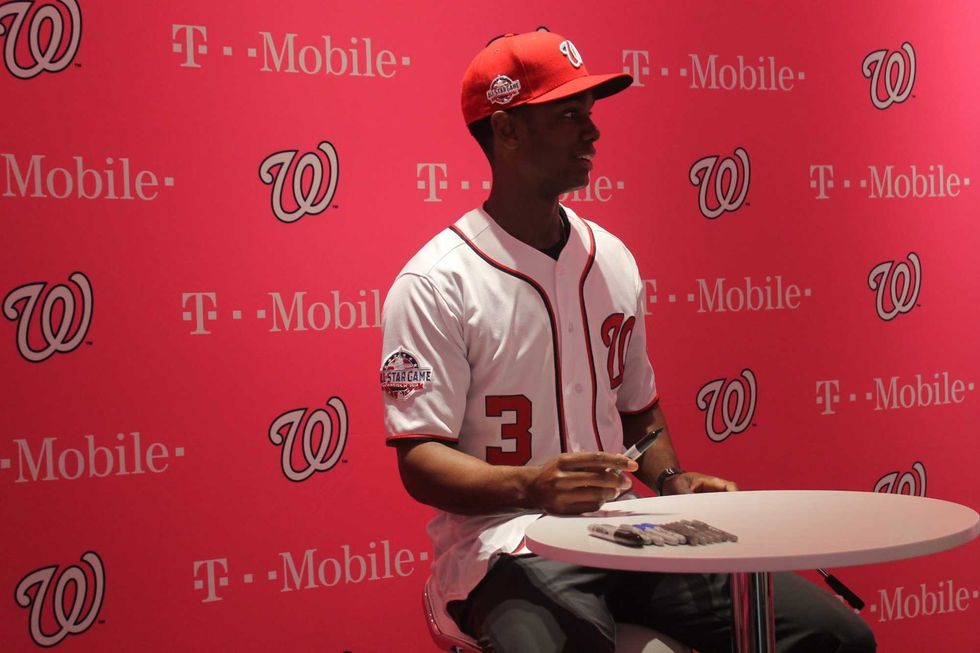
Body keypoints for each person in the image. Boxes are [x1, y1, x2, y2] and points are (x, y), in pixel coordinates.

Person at [380, 30, 875, 653]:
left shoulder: (609, 256)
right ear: (506, 132)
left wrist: (670, 480)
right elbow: (421, 459)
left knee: (834, 636)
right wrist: (531, 485)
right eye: (568, 116)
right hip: (506, 544)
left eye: (589, 114)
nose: (592, 133)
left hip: (627, 529)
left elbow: (637, 409)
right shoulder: (437, 281)